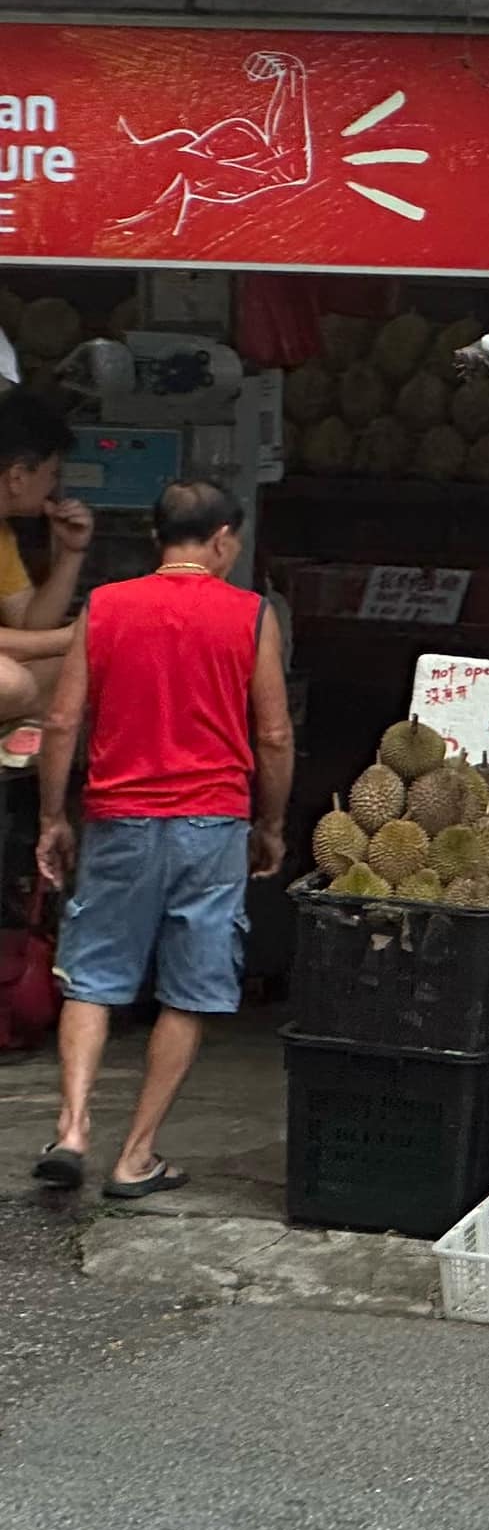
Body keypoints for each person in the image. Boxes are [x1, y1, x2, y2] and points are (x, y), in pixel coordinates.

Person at [29, 480, 292, 1197]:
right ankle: (135, 1156)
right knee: (188, 991)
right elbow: (271, 733)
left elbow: (60, 722)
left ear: (157, 539)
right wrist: (269, 824)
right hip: (212, 825)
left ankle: (74, 1128)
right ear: (222, 541)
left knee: (92, 978)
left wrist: (54, 818)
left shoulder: (106, 607)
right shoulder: (249, 615)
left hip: (118, 819)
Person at [0, 390, 96, 725]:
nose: (53, 488)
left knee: (78, 669)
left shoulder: (3, 536)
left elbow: (29, 623)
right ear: (17, 477)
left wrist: (71, 552)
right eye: (51, 474)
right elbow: (41, 638)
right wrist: (68, 637)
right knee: (11, 683)